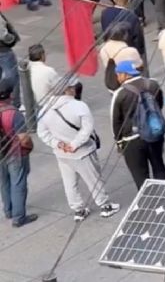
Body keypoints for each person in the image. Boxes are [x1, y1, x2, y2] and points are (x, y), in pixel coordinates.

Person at [36, 76, 120, 221]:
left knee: (69, 182)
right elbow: (87, 130)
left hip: (61, 153)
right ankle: (104, 205)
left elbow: (42, 133)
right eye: (72, 87)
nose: (74, 89)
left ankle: (78, 209)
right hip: (83, 151)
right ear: (67, 90)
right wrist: (74, 144)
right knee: (94, 179)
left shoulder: (45, 110)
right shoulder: (79, 106)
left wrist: (58, 144)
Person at [110, 60, 165, 189]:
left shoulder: (120, 94)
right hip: (154, 133)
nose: (118, 77)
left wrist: (119, 142)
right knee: (159, 166)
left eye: (118, 74)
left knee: (140, 175)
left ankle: (148, 203)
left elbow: (116, 122)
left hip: (132, 140)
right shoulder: (153, 84)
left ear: (124, 75)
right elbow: (159, 105)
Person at [0, 79, 35, 227]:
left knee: (4, 182)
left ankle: (8, 210)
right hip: (15, 153)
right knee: (18, 183)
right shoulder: (14, 114)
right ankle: (19, 217)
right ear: (11, 95)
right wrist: (30, 147)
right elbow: (24, 139)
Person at [98, 24, 145, 90]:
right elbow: (140, 66)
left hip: (112, 82)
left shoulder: (103, 50)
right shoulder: (130, 51)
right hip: (132, 85)